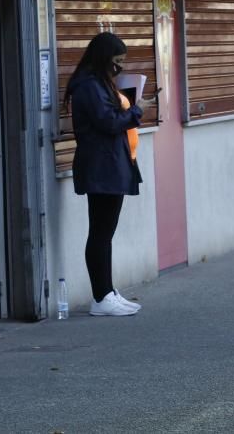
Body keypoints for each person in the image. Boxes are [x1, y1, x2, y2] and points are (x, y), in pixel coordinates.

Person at [65, 31, 154, 317]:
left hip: (109, 164)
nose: (120, 67)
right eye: (117, 61)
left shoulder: (99, 83)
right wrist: (137, 110)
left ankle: (107, 291)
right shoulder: (89, 86)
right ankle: (101, 297)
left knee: (105, 232)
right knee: (101, 233)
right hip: (101, 166)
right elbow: (108, 122)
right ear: (104, 58)